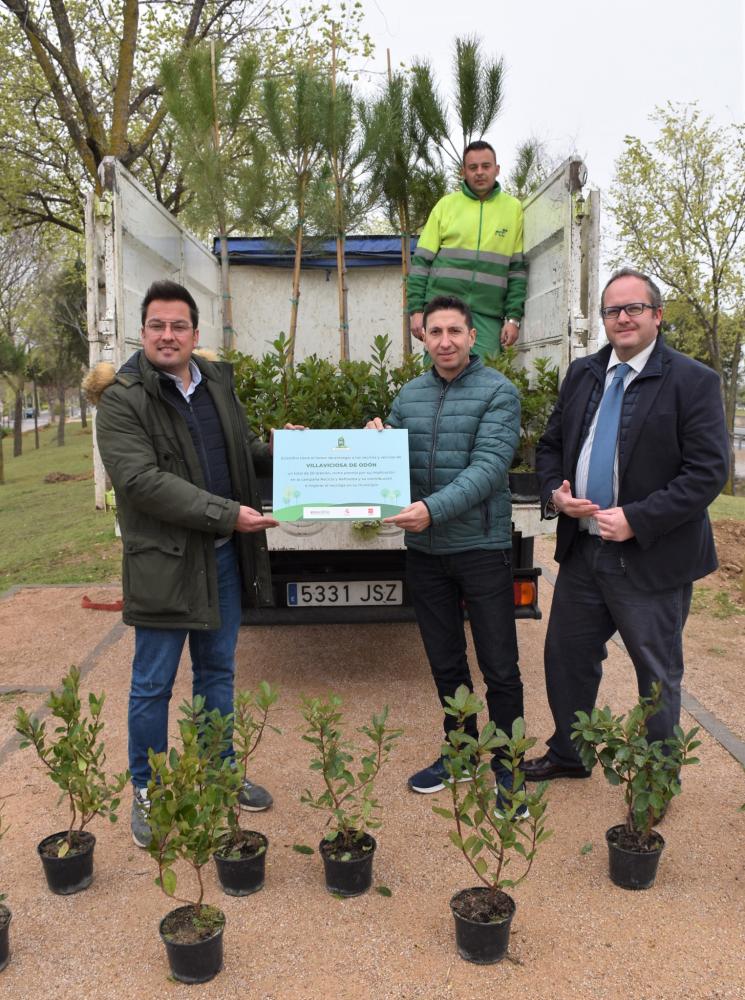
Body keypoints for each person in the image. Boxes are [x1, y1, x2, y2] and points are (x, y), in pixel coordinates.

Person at [86, 279, 286, 847]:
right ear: (143, 332)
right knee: (153, 684)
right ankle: (147, 789)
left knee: (218, 672)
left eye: (178, 326)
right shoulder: (122, 399)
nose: (168, 335)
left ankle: (219, 771)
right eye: (157, 325)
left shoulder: (215, 382)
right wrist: (228, 515)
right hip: (166, 565)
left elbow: (234, 451)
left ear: (196, 334)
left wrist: (286, 452)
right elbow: (142, 483)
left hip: (221, 558)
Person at [523, 268, 729, 783]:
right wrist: (556, 491)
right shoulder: (583, 374)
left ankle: (658, 778)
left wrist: (637, 519)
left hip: (652, 559)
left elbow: (708, 473)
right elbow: (550, 446)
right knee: (567, 661)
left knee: (655, 677)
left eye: (633, 308)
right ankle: (570, 754)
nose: (622, 318)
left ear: (657, 315)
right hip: (585, 553)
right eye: (612, 310)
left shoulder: (693, 381)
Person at [366, 294, 525, 809]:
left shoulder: (500, 392)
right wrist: (376, 442)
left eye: (454, 331)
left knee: (499, 666)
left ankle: (509, 766)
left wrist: (432, 509)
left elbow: (488, 469)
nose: (445, 341)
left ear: (471, 334)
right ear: (424, 337)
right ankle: (460, 752)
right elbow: (392, 465)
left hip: (481, 547)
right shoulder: (408, 396)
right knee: (445, 662)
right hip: (426, 553)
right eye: (435, 332)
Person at [407, 140, 527, 358]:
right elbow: (421, 263)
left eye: (486, 166)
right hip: (442, 312)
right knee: (437, 382)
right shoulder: (445, 205)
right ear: (463, 172)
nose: (480, 172)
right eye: (473, 167)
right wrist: (416, 311)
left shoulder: (513, 209)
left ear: (497, 169)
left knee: (485, 383)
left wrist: (513, 319)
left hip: (487, 316)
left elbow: (516, 271)